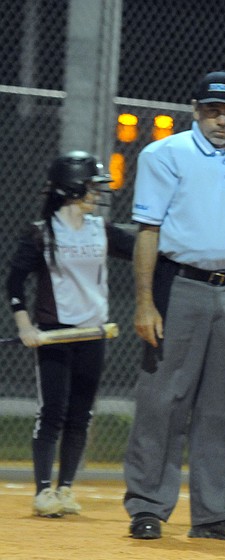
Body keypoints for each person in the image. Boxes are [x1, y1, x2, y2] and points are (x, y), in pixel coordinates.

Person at [123, 70, 225, 541]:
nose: (220, 119)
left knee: (221, 405)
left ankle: (215, 511)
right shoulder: (165, 155)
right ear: (195, 110)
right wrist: (145, 303)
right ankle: (148, 505)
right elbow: (148, 232)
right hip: (180, 286)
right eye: (212, 109)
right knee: (163, 399)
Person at [5, 151, 134, 517]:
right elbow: (14, 282)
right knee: (52, 412)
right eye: (92, 186)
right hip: (54, 334)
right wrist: (25, 326)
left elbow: (141, 249)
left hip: (93, 332)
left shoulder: (101, 230)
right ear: (71, 187)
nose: (98, 193)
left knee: (81, 414)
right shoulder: (42, 233)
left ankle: (65, 489)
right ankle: (43, 491)